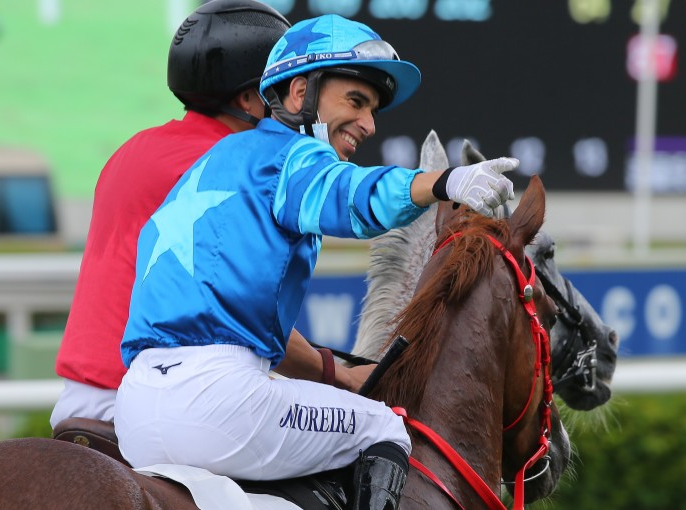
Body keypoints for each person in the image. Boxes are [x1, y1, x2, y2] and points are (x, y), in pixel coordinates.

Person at [114, 14, 518, 510]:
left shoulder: (219, 161)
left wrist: (334, 373)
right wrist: (441, 183)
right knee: (385, 429)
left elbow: (232, 313)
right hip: (216, 404)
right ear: (300, 90)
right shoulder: (289, 158)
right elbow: (351, 195)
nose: (369, 124)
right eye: (356, 101)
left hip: (135, 408)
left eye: (372, 110)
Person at [50, 0, 293, 429]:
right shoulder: (237, 167)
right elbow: (250, 319)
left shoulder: (133, 148)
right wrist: (336, 372)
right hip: (152, 401)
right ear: (249, 98)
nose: (295, 108)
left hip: (77, 402)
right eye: (285, 90)